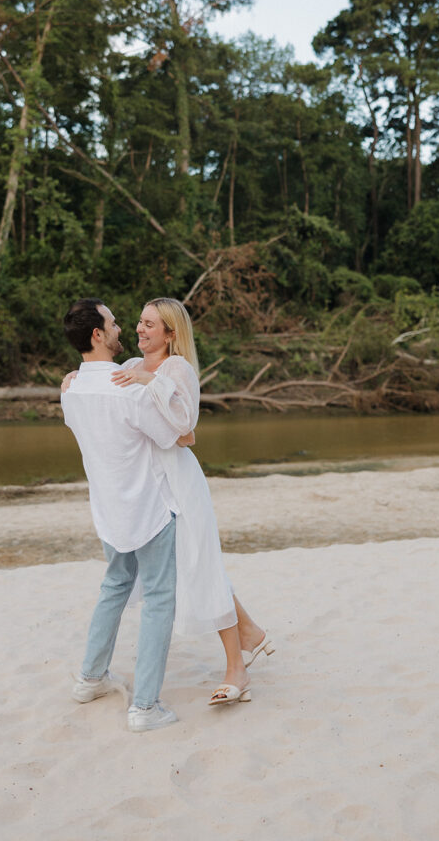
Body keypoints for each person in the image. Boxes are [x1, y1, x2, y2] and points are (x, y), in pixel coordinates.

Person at [63, 297, 274, 705]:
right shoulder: (125, 367)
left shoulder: (176, 369)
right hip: (149, 484)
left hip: (176, 479)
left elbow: (186, 430)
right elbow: (105, 393)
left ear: (171, 334)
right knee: (196, 566)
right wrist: (77, 376)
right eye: (137, 322)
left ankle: (237, 666)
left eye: (149, 325)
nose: (139, 329)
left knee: (202, 565)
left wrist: (150, 383)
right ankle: (248, 635)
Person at [60, 297, 186, 733]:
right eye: (113, 323)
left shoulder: (71, 390)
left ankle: (90, 678)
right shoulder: (127, 389)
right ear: (97, 334)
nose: (120, 329)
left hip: (108, 511)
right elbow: (174, 436)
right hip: (148, 508)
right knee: (158, 600)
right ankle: (146, 707)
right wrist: (156, 386)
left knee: (114, 585)